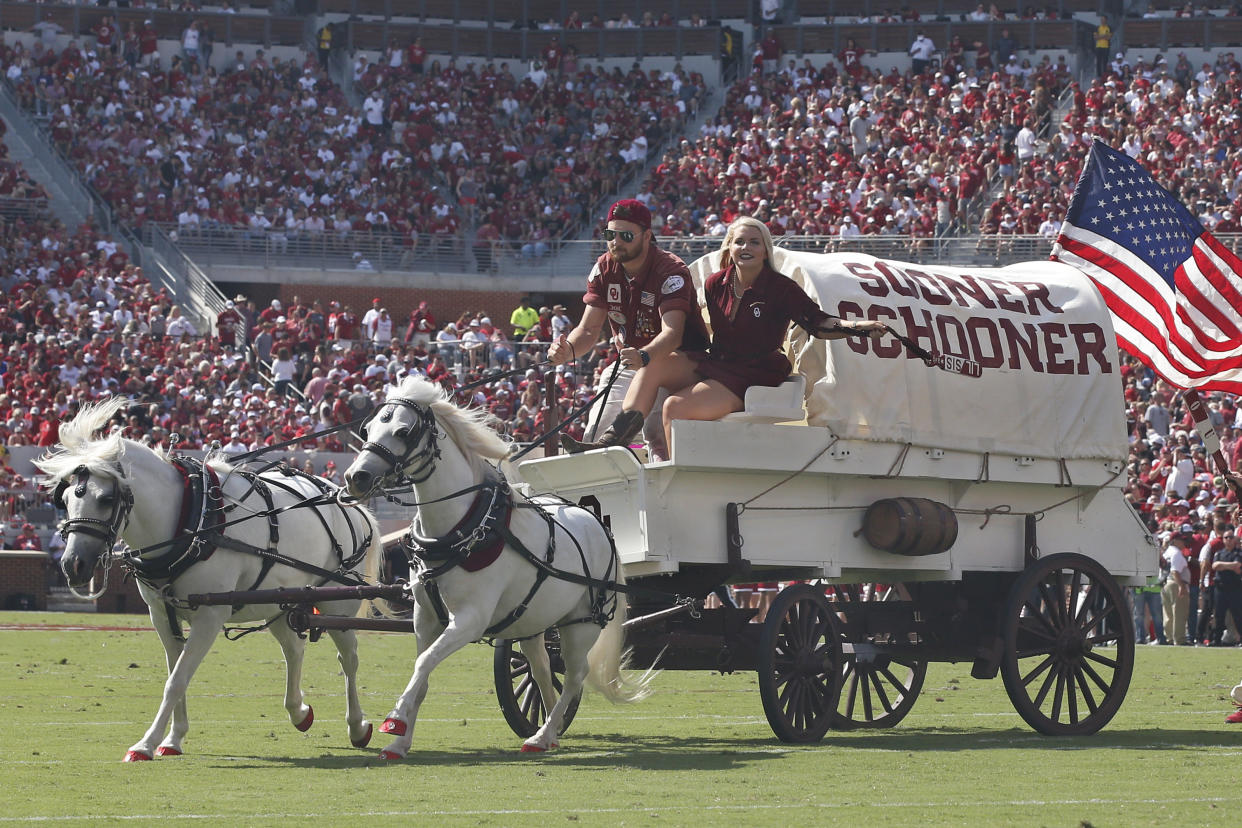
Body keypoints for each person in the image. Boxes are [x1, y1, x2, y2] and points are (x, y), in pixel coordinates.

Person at [652, 217, 883, 452]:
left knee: (674, 407)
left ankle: (678, 479)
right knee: (654, 372)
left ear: (765, 251)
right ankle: (637, 442)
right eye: (739, 242)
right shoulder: (715, 284)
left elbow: (818, 322)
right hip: (719, 364)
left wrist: (855, 327)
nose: (746, 248)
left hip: (755, 372)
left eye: (754, 242)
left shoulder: (781, 288)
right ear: (730, 247)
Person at [553, 199, 709, 460]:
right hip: (631, 363)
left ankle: (661, 493)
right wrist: (566, 349)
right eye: (610, 235)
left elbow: (673, 334)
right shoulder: (604, 267)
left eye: (625, 235)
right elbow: (589, 330)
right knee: (595, 433)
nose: (616, 242)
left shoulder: (671, 271)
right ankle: (591, 489)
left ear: (647, 236)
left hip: (675, 364)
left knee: (656, 434)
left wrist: (644, 356)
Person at [1211, 526, 1242, 647]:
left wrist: (1222, 565)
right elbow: (1214, 566)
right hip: (1220, 588)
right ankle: (1216, 640)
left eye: (1230, 537)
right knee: (1219, 616)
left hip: (1234, 588)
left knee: (1238, 615)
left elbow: (1238, 566)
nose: (1228, 539)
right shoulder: (1219, 553)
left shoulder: (1238, 553)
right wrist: (1230, 566)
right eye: (1226, 537)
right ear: (1223, 540)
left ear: (1234, 539)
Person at [1162, 526, 1192, 646]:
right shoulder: (1176, 553)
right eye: (1181, 540)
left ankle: (1169, 638)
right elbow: (1175, 571)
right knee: (1179, 613)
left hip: (1165, 583)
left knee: (1168, 614)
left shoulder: (1167, 552)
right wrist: (1181, 586)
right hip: (1176, 583)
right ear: (1174, 541)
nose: (1183, 542)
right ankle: (1179, 639)